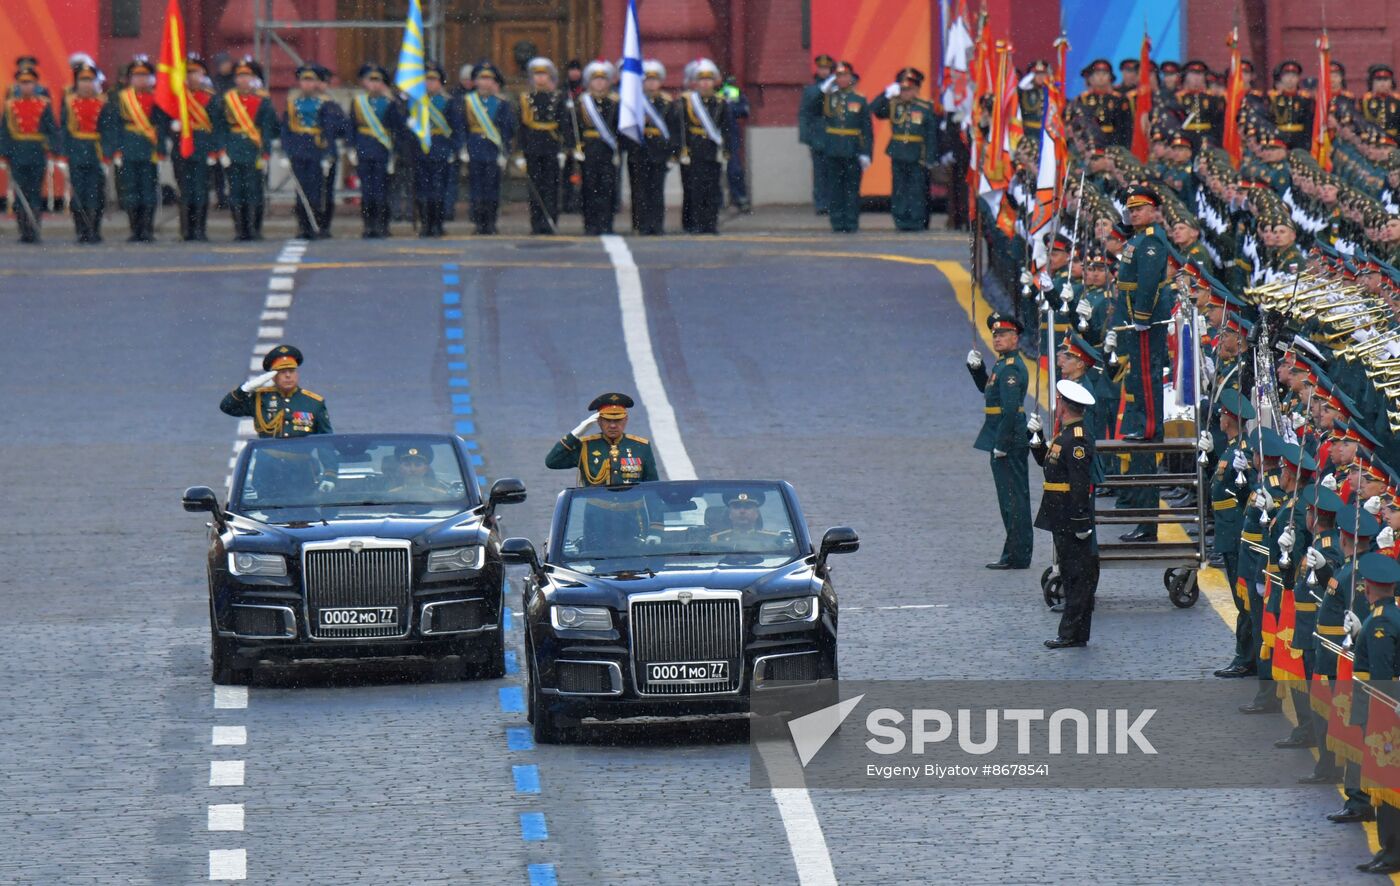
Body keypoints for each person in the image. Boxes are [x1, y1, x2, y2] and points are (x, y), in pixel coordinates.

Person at [1114, 184, 1172, 542]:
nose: (1133, 214)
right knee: (1138, 379)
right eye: (1130, 209)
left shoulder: (1151, 242)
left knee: (1148, 380)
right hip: (1133, 320)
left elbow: (1148, 282)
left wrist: (1143, 316)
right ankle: (1144, 425)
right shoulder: (1136, 238)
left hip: (1144, 320)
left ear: (1153, 211)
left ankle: (1150, 425)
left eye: (1139, 209)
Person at [1030, 379, 1099, 648]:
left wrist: (1081, 520)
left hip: (1071, 516)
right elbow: (1050, 464)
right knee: (1073, 574)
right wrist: (1035, 442)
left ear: (1063, 405)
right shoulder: (1066, 435)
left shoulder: (1077, 438)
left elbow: (1080, 484)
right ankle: (1077, 632)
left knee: (1076, 577)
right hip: (1061, 514)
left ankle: (1071, 633)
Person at [967, 313, 1033, 570]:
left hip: (1009, 437)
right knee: (1009, 499)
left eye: (1004, 335)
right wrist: (977, 370)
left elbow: (1009, 409)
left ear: (1015, 338)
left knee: (1013, 499)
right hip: (1001, 434)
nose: (998, 339)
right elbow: (988, 390)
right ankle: (1014, 551)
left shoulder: (1012, 368)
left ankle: (1018, 554)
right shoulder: (1002, 364)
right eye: (995, 335)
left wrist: (1002, 444)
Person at [1350, 551, 1400, 873]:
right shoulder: (1389, 613)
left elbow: (1382, 676)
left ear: (1368, 587)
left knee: (1387, 783)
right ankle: (1389, 848)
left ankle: (1393, 851)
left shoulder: (1380, 620)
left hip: (1384, 713)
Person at [99, 56, 165, 242]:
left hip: (149, 150)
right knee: (131, 192)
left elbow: (161, 125)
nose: (140, 79)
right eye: (136, 76)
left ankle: (147, 230)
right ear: (130, 79)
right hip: (127, 148)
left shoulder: (157, 98)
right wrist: (115, 150)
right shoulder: (120, 98)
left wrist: (160, 150)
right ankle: (135, 230)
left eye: (144, 75)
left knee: (148, 191)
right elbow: (113, 126)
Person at [215, 57, 278, 241]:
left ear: (254, 78)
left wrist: (266, 153)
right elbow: (220, 127)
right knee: (236, 191)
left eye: (247, 76)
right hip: (233, 149)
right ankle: (240, 230)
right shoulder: (227, 99)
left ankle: (254, 229)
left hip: (254, 150)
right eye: (240, 76)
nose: (243, 80)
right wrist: (221, 150)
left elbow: (268, 129)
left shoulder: (263, 101)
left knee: (254, 190)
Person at [870, 67, 938, 231]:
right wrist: (886, 93)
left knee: (916, 189)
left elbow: (931, 135)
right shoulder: (893, 105)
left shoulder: (925, 107)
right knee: (899, 189)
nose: (906, 93)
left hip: (917, 154)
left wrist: (930, 157)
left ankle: (916, 220)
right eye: (903, 89)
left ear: (916, 89)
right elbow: (874, 109)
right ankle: (901, 220)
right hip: (899, 153)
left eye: (909, 89)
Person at [219, 344, 333, 438]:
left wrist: (329, 466)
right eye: (282, 372)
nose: (288, 375)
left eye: (291, 371)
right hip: (269, 462)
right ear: (273, 377)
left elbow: (326, 439)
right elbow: (227, 407)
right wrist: (244, 389)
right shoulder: (260, 398)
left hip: (302, 462)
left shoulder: (314, 402)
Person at [546, 393, 658, 486]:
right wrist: (578, 431)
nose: (613, 425)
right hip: (597, 510)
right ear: (598, 421)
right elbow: (552, 462)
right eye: (607, 420)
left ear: (626, 420)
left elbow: (652, 485)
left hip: (631, 510)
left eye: (618, 420)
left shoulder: (641, 447)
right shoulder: (585, 446)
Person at [1, 64, 59, 243]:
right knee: (20, 194)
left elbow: (51, 129)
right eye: (23, 83)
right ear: (18, 85)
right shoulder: (11, 106)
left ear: (35, 85)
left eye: (30, 83)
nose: (26, 86)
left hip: (36, 153)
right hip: (18, 153)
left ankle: (34, 230)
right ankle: (23, 231)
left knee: (34, 193)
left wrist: (54, 150)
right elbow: (5, 132)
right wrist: (4, 154)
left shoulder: (43, 105)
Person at [282, 63, 341, 240]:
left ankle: (317, 225)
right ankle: (303, 227)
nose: (307, 84)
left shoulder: (325, 103)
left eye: (311, 80)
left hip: (317, 149)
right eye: (304, 80)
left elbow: (329, 130)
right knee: (301, 191)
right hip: (299, 150)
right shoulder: (293, 103)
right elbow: (286, 130)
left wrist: (327, 153)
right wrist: (286, 151)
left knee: (317, 191)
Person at [514, 57, 573, 234]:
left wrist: (565, 149)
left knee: (551, 187)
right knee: (535, 189)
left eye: (544, 75)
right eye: (536, 75)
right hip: (532, 147)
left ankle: (551, 222)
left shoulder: (558, 98)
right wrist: (518, 152)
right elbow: (521, 128)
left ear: (550, 77)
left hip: (551, 146)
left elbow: (565, 125)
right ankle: (536, 223)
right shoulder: (526, 98)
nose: (540, 79)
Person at [812, 60, 872, 233]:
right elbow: (811, 107)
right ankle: (837, 222)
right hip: (833, 149)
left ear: (851, 78)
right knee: (835, 188)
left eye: (845, 75)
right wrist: (822, 90)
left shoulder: (859, 99)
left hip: (852, 149)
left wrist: (866, 153)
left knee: (852, 188)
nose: (842, 79)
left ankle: (851, 222)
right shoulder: (828, 98)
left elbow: (866, 129)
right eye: (838, 76)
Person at [459, 61, 515, 235]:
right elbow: (461, 127)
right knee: (476, 187)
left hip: (493, 148)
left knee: (492, 187)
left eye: (488, 79)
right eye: (481, 78)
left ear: (494, 82)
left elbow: (507, 128)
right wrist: (463, 148)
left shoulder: (501, 103)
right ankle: (478, 223)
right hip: (475, 146)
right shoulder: (468, 102)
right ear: (475, 81)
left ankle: (490, 222)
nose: (485, 82)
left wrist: (504, 151)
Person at [676, 58, 731, 235]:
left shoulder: (721, 102)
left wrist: (726, 150)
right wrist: (681, 149)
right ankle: (696, 223)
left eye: (708, 80)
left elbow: (727, 128)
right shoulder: (687, 102)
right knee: (695, 189)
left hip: (712, 150)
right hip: (694, 150)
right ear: (696, 83)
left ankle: (711, 223)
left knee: (713, 188)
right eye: (701, 80)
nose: (705, 83)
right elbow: (681, 127)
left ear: (714, 82)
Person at [350, 62, 402, 238]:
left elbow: (397, 127)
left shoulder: (389, 103)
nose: (373, 84)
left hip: (383, 150)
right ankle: (368, 225)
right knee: (367, 191)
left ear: (383, 83)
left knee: (382, 191)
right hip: (364, 148)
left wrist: (395, 153)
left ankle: (382, 225)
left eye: (377, 81)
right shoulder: (358, 102)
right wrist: (351, 148)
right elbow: (352, 126)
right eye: (370, 80)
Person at [59, 60, 108, 243]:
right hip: (76, 152)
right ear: (77, 82)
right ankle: (81, 230)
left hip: (96, 152)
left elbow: (108, 130)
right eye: (83, 79)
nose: (86, 83)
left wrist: (108, 154)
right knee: (78, 194)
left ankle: (94, 230)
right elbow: (64, 129)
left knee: (95, 194)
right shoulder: (70, 102)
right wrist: (63, 154)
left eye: (90, 79)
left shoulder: (103, 103)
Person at [627, 59, 677, 236]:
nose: (651, 83)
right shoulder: (634, 102)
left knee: (657, 190)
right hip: (639, 150)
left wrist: (673, 153)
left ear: (660, 82)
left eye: (654, 80)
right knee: (640, 191)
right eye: (648, 80)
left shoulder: (667, 102)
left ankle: (656, 224)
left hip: (658, 151)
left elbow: (673, 128)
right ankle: (641, 225)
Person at [171, 53, 217, 242]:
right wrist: (172, 130)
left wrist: (214, 150)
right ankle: (186, 231)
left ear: (203, 74)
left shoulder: (211, 99)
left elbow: (217, 126)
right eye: (187, 73)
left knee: (201, 190)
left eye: (195, 72)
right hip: (182, 147)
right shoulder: (177, 98)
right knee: (184, 190)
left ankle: (199, 229)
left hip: (202, 148)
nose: (191, 77)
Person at [413, 62, 460, 238]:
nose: (429, 83)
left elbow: (456, 127)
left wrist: (454, 149)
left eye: (433, 80)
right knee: (422, 190)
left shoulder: (448, 102)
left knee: (439, 189)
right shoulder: (416, 102)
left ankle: (437, 224)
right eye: (426, 79)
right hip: (421, 149)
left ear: (440, 82)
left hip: (440, 148)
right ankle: (425, 224)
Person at [575, 59, 620, 235]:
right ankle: (590, 224)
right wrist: (575, 147)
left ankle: (607, 224)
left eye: (603, 79)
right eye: (595, 79)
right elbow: (575, 127)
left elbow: (619, 128)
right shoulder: (582, 102)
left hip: (608, 151)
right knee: (589, 188)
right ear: (589, 82)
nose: (599, 83)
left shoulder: (615, 102)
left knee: (607, 189)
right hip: (589, 150)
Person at [800, 54, 834, 215]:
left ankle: (834, 202)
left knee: (834, 171)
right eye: (821, 68)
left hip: (835, 135)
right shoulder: (812, 89)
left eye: (826, 68)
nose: (824, 71)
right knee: (820, 172)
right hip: (819, 136)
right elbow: (806, 111)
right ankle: (821, 203)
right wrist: (806, 136)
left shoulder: (835, 87)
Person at [1072, 59, 1131, 149]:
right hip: (1090, 143)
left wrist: (1119, 146)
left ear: (1110, 78)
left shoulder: (1119, 99)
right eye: (1097, 74)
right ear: (1091, 78)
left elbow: (1124, 126)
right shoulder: (1083, 99)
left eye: (1104, 74)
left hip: (1113, 142)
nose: (1101, 77)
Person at [719, 75, 750, 212]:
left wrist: (729, 109)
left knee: (734, 169)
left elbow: (744, 110)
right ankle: (717, 202)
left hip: (730, 134)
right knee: (713, 171)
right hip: (712, 136)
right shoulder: (704, 93)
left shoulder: (732, 92)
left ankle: (740, 198)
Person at [709, 492, 783, 549]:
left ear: (757, 514)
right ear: (730, 514)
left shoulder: (772, 539)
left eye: (748, 507)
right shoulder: (716, 540)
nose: (742, 511)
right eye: (737, 507)